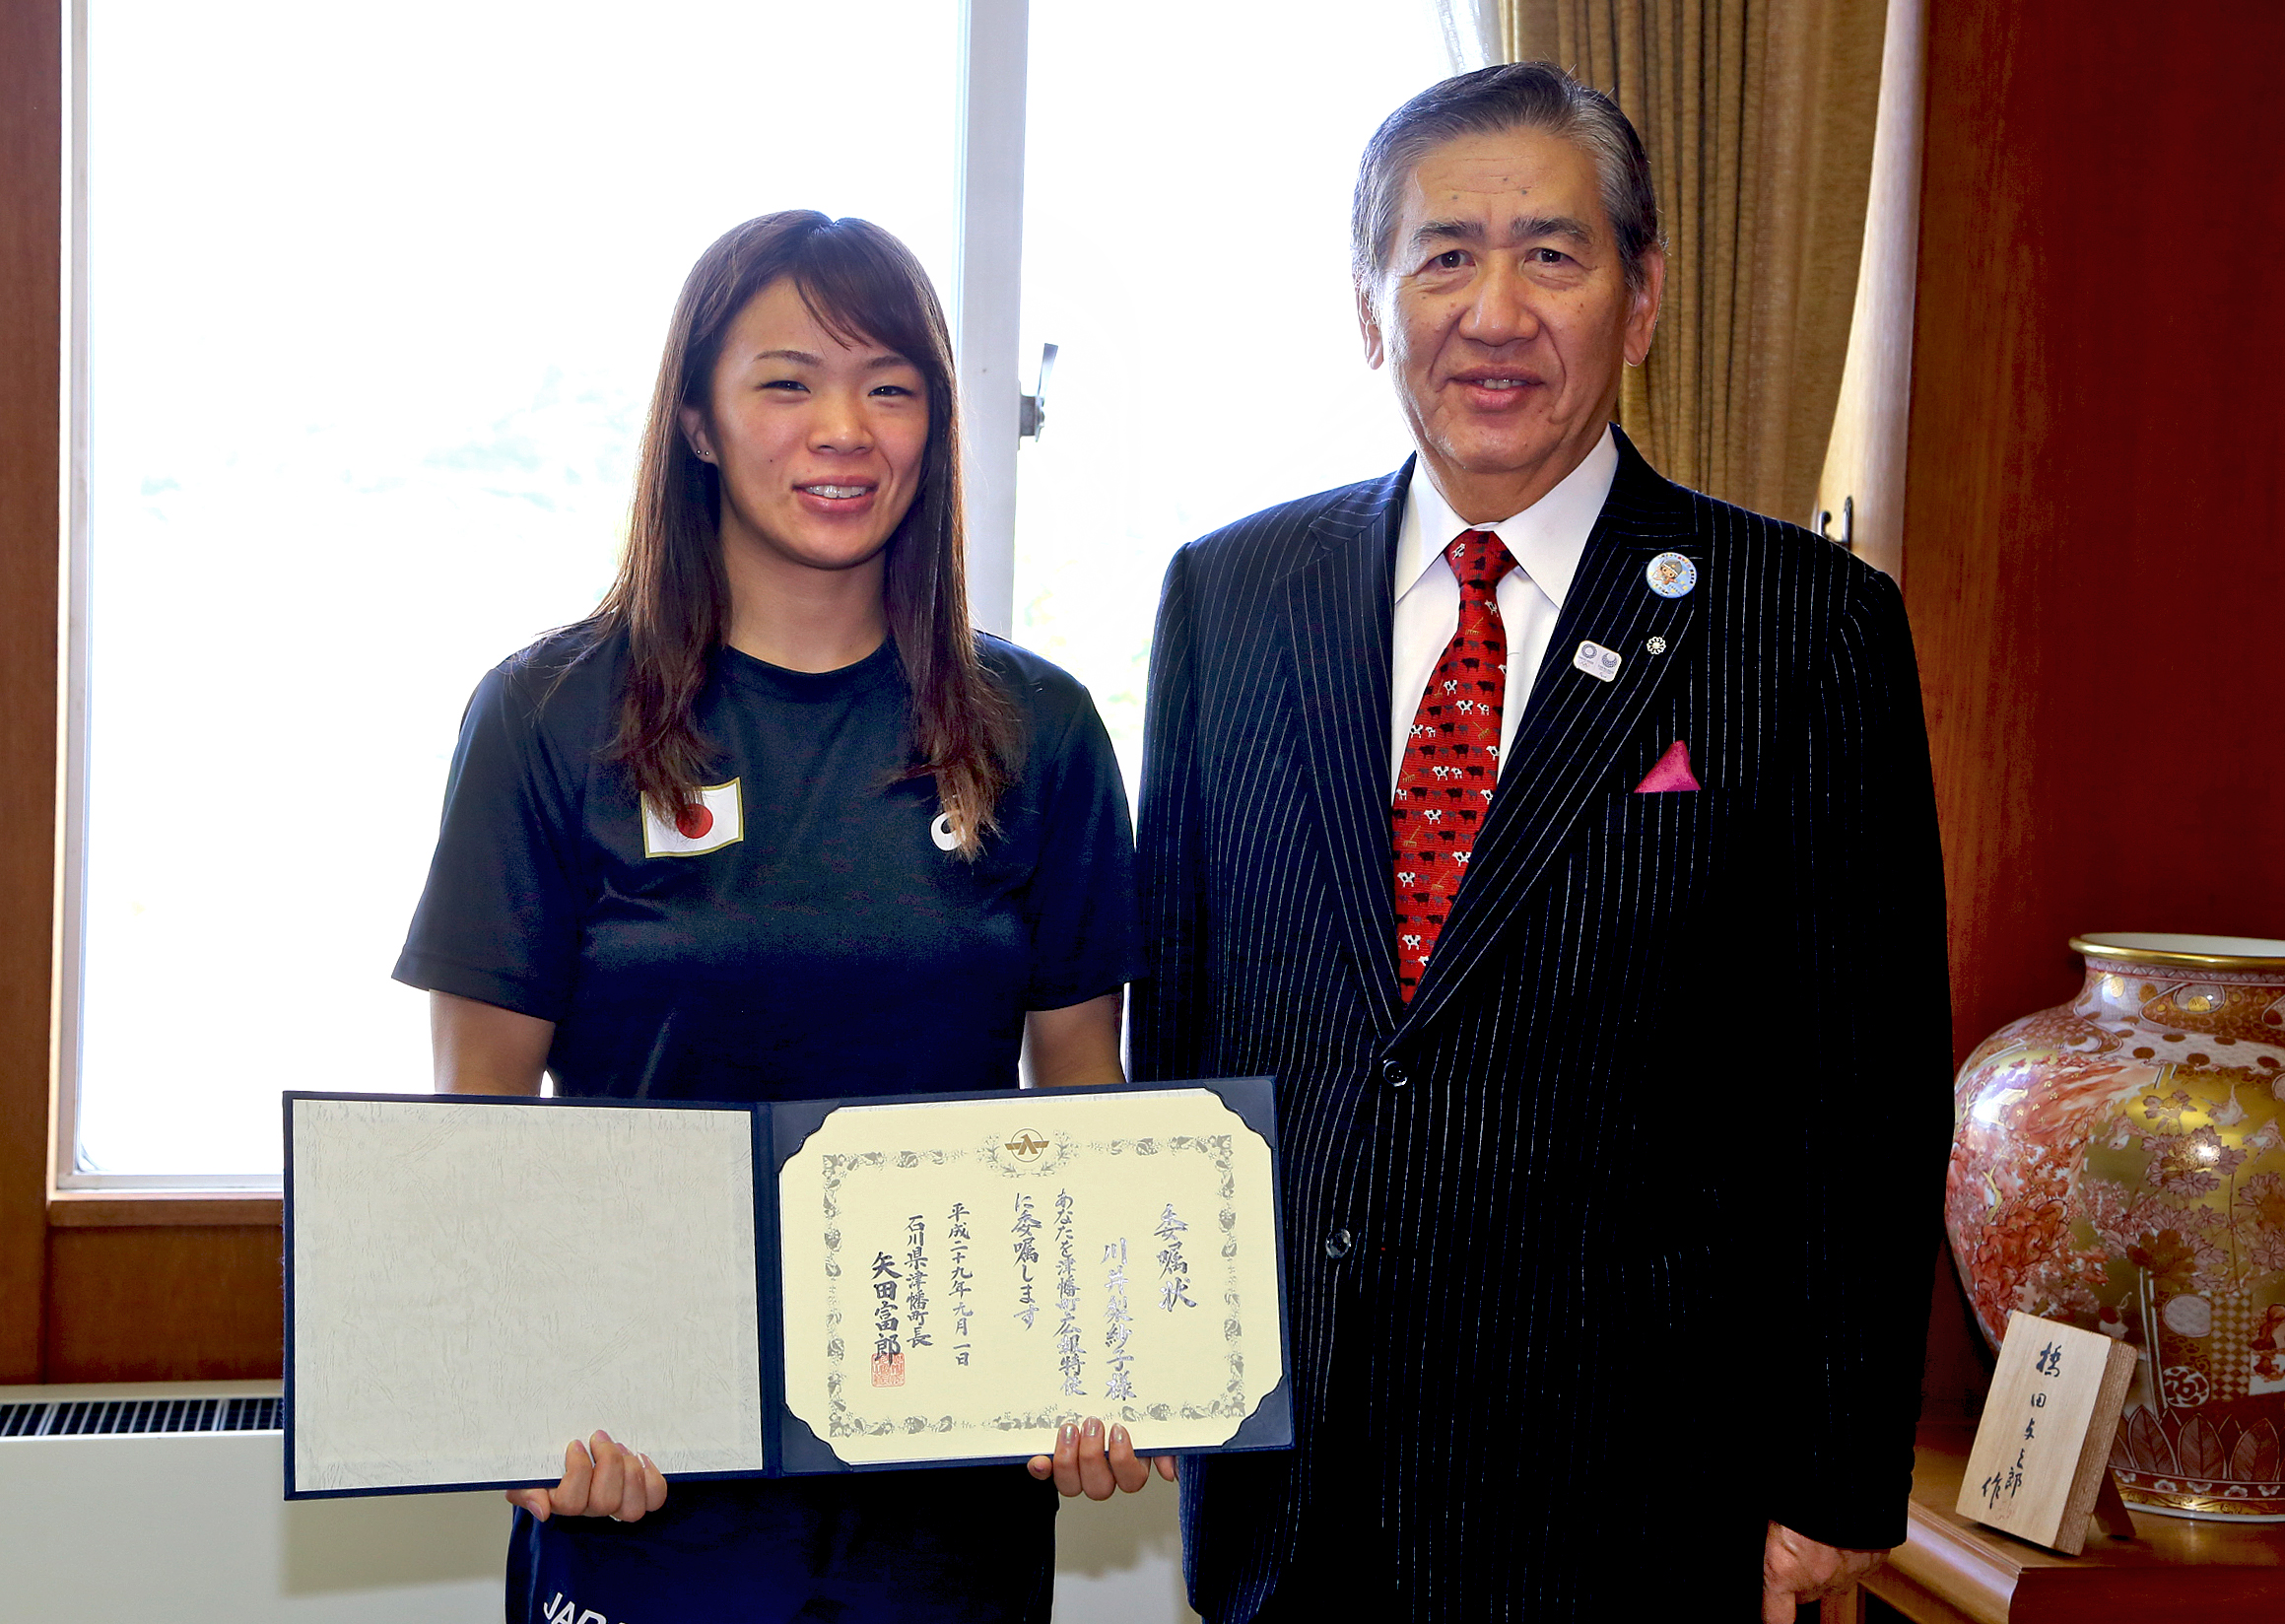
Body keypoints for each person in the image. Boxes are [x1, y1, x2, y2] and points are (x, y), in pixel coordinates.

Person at [1132, 63, 1951, 1621]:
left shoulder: (1804, 625)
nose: (1493, 310)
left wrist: (1832, 1476)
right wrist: (1169, 1375)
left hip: (1639, 1501)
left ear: (1640, 300)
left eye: (1551, 255)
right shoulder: (1228, 598)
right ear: (1373, 308)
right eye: (1443, 255)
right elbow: (1184, 1014)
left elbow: (1868, 1086)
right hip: (1295, 1499)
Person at [393, 210, 1144, 1623]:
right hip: (641, 1480)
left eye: (892, 385)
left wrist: (1105, 1364)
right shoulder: (553, 716)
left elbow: (1084, 1107)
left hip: (946, 1502)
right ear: (695, 420)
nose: (843, 430)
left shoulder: (1035, 728)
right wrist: (514, 1408)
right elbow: (473, 1122)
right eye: (787, 382)